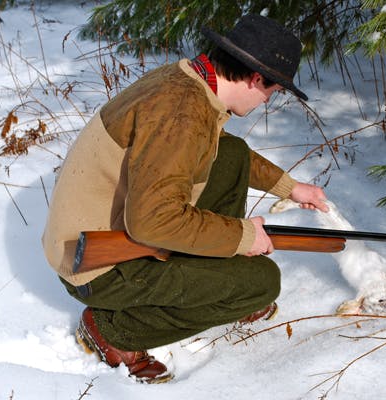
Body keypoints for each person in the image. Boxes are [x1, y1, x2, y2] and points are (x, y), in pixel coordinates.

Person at [42, 14, 328, 384]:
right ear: (256, 79)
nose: (267, 102)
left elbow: (215, 147)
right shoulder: (182, 112)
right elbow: (151, 221)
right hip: (96, 267)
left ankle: (213, 279)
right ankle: (111, 330)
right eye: (272, 93)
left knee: (232, 155)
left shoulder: (188, 83)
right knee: (261, 283)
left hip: (101, 232)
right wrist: (242, 237)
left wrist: (290, 189)